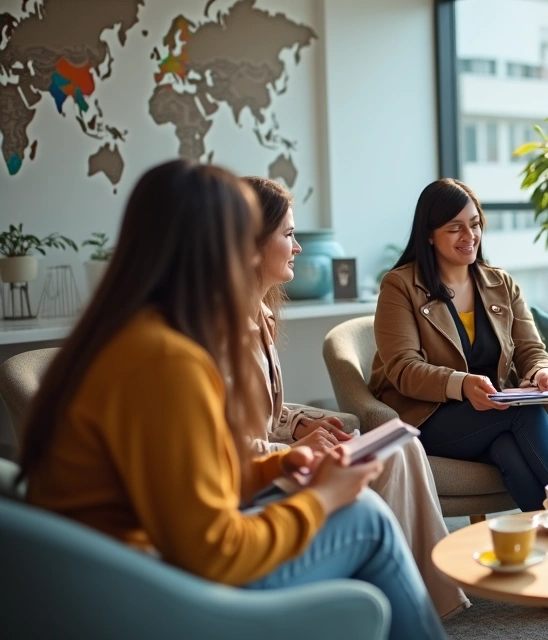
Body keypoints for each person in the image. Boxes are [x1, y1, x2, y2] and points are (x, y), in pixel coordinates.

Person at [19, 160, 446, 640]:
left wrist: (280, 465)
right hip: (139, 591)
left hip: (117, 567)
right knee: (365, 519)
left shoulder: (127, 336)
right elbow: (215, 549)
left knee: (360, 510)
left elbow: (185, 476)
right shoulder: (168, 360)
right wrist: (326, 496)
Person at [243, 176, 470, 619]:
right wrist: (294, 451)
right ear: (251, 245)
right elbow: (229, 449)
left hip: (274, 455)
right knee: (387, 457)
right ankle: (422, 597)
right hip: (255, 482)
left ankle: (434, 592)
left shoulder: (260, 314)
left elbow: (261, 410)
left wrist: (298, 424)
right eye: (288, 235)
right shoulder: (223, 333)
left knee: (401, 443)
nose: (298, 247)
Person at [369, 178, 548, 512]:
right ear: (429, 234)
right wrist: (463, 385)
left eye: (474, 224)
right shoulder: (400, 286)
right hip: (427, 417)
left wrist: (543, 373)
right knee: (523, 417)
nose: (469, 237)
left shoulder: (501, 284)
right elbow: (403, 368)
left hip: (490, 416)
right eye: (455, 228)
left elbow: (531, 349)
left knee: (509, 453)